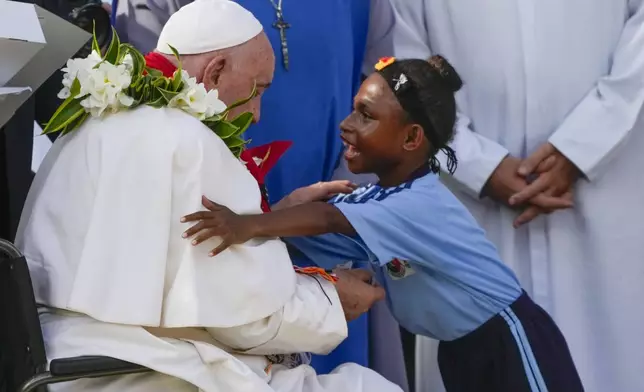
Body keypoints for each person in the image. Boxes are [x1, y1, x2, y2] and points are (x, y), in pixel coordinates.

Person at [14, 1, 404, 391]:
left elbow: (176, 261)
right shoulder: (191, 143)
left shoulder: (95, 118)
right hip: (152, 373)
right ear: (215, 70)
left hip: (71, 367)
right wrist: (334, 300)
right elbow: (248, 321)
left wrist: (274, 219)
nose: (256, 114)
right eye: (257, 90)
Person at [180, 57, 584, 392]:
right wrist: (272, 226)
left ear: (411, 138)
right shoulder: (375, 202)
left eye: (366, 115)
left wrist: (244, 225)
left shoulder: (417, 203)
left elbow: (326, 219)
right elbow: (307, 239)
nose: (347, 124)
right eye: (355, 108)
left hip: (508, 338)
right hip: (461, 348)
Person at [375, 2, 644, 391]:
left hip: (605, 184)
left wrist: (585, 143)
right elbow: (398, 59)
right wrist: (476, 164)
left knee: (611, 355)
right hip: (468, 201)